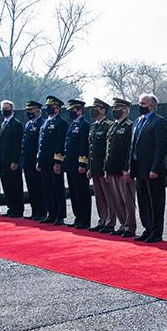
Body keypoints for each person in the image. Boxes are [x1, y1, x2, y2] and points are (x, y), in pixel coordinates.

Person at [126, 93, 167, 243]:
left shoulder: (159, 122)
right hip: (139, 168)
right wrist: (131, 167)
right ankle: (148, 228)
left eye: (143, 103)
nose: (140, 106)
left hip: (152, 170)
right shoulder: (138, 121)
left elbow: (161, 148)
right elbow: (133, 146)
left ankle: (157, 231)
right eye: (139, 103)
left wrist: (155, 169)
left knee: (155, 201)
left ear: (151, 106)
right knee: (143, 200)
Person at [104, 98, 136, 237]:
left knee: (127, 199)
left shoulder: (129, 126)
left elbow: (130, 149)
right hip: (111, 168)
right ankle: (122, 224)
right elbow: (108, 149)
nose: (114, 110)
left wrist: (127, 168)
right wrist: (106, 169)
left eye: (117, 107)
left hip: (123, 169)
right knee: (116, 199)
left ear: (125, 109)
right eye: (114, 107)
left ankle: (130, 226)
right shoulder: (112, 126)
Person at [36, 96, 69, 226]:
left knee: (57, 188)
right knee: (48, 188)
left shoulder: (61, 123)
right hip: (44, 160)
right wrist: (39, 160)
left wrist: (58, 162)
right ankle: (51, 213)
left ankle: (60, 215)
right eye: (48, 106)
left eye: (51, 106)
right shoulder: (46, 123)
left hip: (54, 161)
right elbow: (41, 143)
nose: (48, 108)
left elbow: (60, 144)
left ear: (58, 109)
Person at [87, 99, 114, 233]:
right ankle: (102, 219)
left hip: (103, 167)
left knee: (108, 195)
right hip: (95, 167)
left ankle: (110, 221)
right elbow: (90, 149)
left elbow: (108, 149)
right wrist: (89, 168)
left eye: (97, 107)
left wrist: (106, 168)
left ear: (103, 110)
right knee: (99, 196)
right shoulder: (93, 126)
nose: (94, 109)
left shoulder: (109, 125)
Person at [64, 99, 91, 229]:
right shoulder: (73, 124)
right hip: (70, 164)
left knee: (82, 193)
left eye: (73, 110)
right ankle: (78, 217)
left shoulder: (84, 124)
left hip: (78, 164)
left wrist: (82, 164)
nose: (71, 113)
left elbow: (83, 146)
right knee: (74, 193)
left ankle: (85, 220)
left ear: (80, 110)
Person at [20, 101, 47, 221]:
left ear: (37, 111)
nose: (29, 113)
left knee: (39, 187)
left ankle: (42, 211)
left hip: (35, 160)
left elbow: (40, 144)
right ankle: (35, 211)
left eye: (31, 111)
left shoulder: (42, 123)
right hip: (27, 160)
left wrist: (38, 160)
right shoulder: (28, 124)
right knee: (31, 187)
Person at [0, 100, 24, 218]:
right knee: (6, 186)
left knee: (15, 186)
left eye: (7, 108)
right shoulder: (3, 124)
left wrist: (15, 161)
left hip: (12, 161)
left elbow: (17, 145)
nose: (4, 110)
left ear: (12, 109)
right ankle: (11, 207)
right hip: (3, 161)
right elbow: (0, 145)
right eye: (3, 108)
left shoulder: (16, 124)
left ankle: (18, 209)